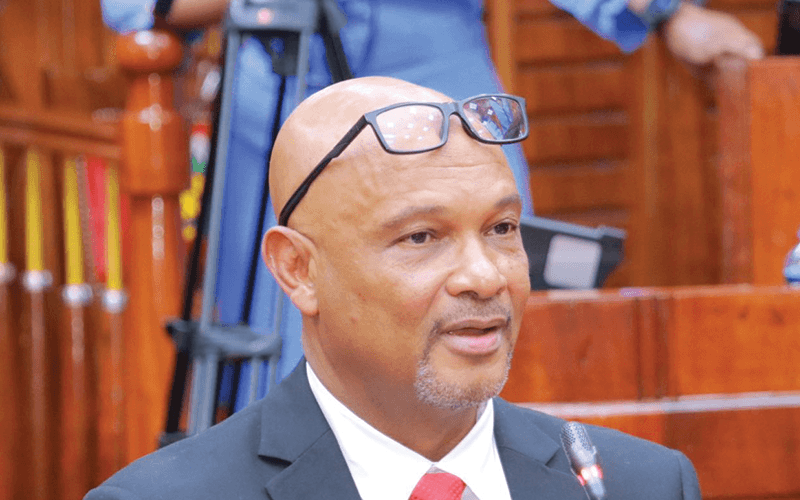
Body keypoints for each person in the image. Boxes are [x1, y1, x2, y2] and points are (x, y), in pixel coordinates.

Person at [73, 75, 746, 500]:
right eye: (422, 237)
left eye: (502, 230)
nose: (485, 277)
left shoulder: (637, 499)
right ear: (298, 270)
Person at [104, 0, 763, 397]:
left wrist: (669, 12)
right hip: (276, 94)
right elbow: (140, 9)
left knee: (480, 296)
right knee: (280, 335)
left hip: (440, 77)